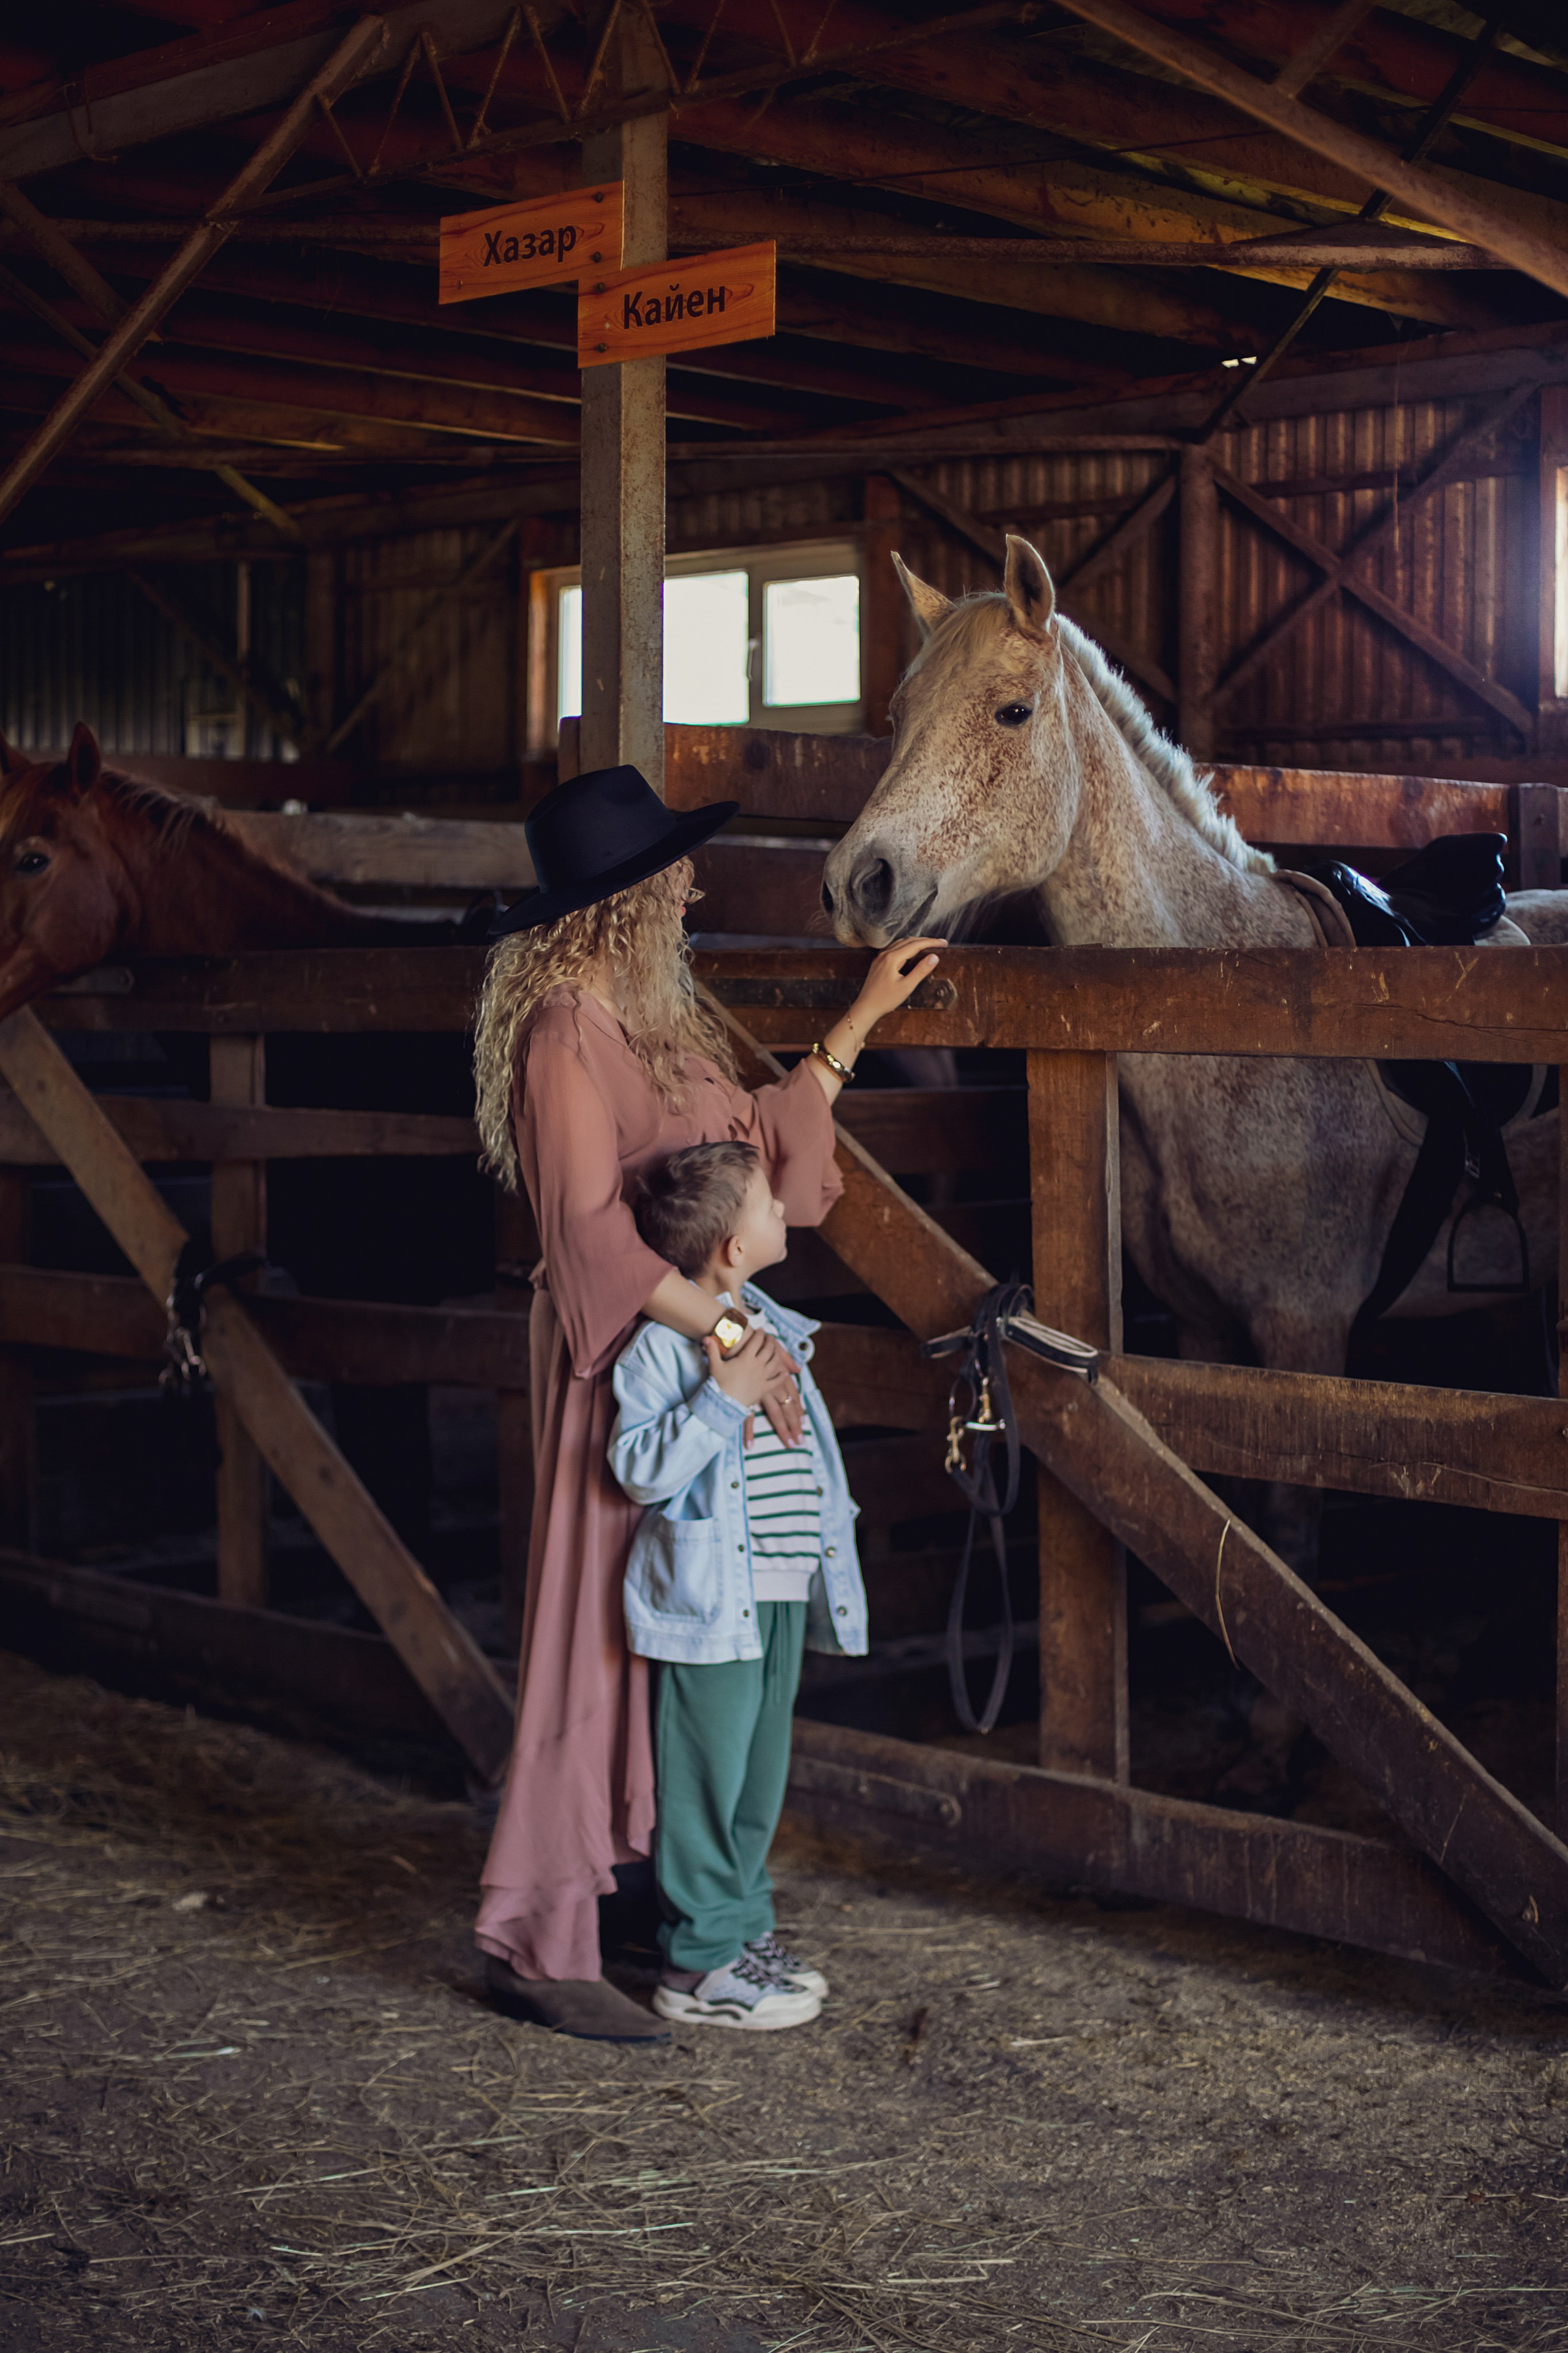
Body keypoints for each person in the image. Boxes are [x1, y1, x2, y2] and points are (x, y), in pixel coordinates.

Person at [470, 760, 942, 2041]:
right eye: (670, 871)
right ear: (620, 897)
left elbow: (753, 1162)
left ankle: (663, 1902)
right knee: (604, 1638)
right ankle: (546, 1923)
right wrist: (736, 1332)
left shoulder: (657, 1019)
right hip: (622, 1357)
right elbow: (586, 1236)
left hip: (699, 1346)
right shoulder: (566, 1028)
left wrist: (856, 1020)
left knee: (695, 1634)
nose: (690, 886)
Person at [609, 1139, 866, 2030]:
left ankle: (741, 1929)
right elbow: (638, 1469)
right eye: (767, 1205)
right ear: (729, 1245)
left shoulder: (775, 1325)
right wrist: (720, 1399)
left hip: (783, 1584)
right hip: (713, 1597)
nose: (783, 1212)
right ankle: (696, 1963)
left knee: (759, 1773)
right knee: (705, 1780)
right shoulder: (659, 1350)